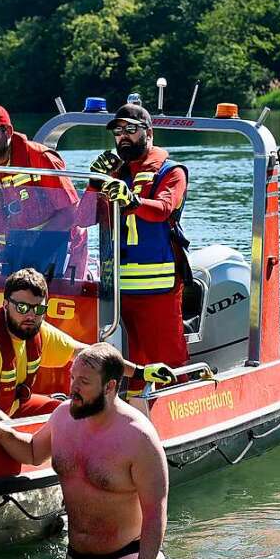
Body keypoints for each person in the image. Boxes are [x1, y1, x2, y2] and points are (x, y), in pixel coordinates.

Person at [0, 342, 168, 559]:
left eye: (84, 382)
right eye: (72, 378)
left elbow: (155, 512)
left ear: (110, 387)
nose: (73, 388)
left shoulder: (138, 437)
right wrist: (1, 431)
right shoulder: (63, 416)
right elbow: (33, 452)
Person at [0, 268, 177, 427]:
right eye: (21, 307)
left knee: (68, 414)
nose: (30, 315)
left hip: (7, 409)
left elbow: (90, 355)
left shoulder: (36, 331)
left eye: (38, 309)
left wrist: (142, 372)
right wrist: (28, 443)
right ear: (6, 304)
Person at [89, 103, 190, 390]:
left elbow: (162, 209)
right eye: (118, 131)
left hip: (157, 288)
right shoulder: (114, 173)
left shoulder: (172, 172)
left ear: (148, 132)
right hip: (115, 290)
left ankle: (178, 406)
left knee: (167, 360)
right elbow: (82, 218)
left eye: (130, 130)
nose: (123, 137)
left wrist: (132, 201)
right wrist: (94, 184)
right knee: (121, 362)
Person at [0, 104, 86, 278]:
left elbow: (70, 213)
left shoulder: (41, 158)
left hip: (62, 250)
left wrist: (31, 252)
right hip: (12, 256)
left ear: (7, 131)